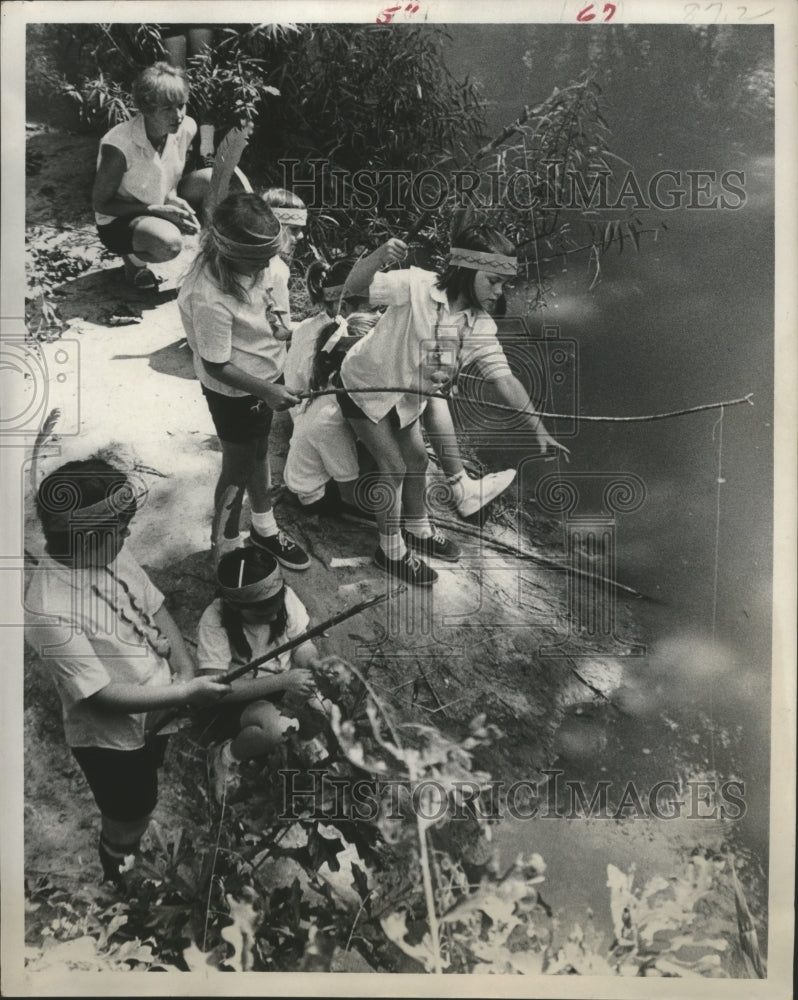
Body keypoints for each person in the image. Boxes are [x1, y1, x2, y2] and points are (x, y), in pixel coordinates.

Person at [24, 458, 230, 888]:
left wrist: (184, 669)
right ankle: (123, 871)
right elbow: (99, 695)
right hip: (110, 738)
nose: (127, 535)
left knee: (148, 773)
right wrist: (183, 693)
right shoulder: (49, 608)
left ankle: (132, 849)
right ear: (83, 536)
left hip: (160, 700)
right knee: (131, 807)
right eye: (118, 529)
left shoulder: (109, 552)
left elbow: (154, 608)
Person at [338, 225, 570, 587]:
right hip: (364, 386)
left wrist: (538, 428)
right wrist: (378, 257)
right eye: (493, 281)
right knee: (395, 467)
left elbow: (504, 378)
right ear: (467, 270)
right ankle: (391, 550)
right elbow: (353, 289)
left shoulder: (478, 325)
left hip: (405, 399)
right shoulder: (415, 285)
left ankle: (418, 528)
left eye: (502, 284)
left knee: (418, 460)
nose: (498, 291)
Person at [290, 259, 517, 520]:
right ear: (343, 305)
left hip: (319, 417)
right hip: (322, 430)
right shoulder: (344, 334)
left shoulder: (323, 327)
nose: (380, 314)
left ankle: (455, 484)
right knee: (414, 415)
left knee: (418, 397)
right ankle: (453, 487)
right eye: (374, 306)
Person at [178, 191, 310, 569]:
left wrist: (288, 331)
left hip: (263, 379)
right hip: (235, 390)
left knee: (257, 452)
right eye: (258, 259)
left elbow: (275, 316)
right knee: (236, 466)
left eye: (270, 256)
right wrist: (268, 391)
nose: (268, 265)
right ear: (230, 252)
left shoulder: (269, 267)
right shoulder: (209, 295)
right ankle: (226, 544)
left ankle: (264, 528)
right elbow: (217, 364)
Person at [197, 547, 321, 802]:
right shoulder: (215, 619)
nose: (274, 616)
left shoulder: (283, 597)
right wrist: (282, 680)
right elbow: (216, 690)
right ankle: (226, 756)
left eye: (276, 610)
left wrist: (313, 663)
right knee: (279, 730)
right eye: (262, 614)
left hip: (284, 687)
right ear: (235, 606)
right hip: (240, 699)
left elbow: (301, 644)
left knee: (325, 708)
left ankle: (292, 744)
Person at [92, 62, 211, 290]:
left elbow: (169, 171)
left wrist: (173, 196)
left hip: (159, 202)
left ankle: (216, 255)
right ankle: (134, 261)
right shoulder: (118, 146)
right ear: (146, 108)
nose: (178, 115)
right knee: (169, 244)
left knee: (216, 178)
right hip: (120, 219)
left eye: (181, 105)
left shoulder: (187, 127)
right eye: (167, 108)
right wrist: (154, 209)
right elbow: (101, 204)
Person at [284, 311, 380, 518]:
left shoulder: (330, 381)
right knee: (382, 449)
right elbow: (349, 494)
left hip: (316, 471)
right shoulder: (330, 417)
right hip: (316, 494)